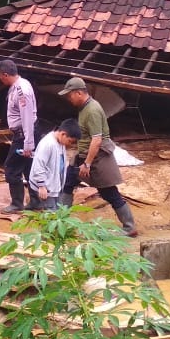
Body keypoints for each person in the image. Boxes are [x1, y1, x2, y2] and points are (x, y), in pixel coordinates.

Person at [57, 77, 138, 237]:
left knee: (109, 193)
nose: (68, 98)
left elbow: (97, 139)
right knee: (68, 182)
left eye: (69, 95)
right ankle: (60, 222)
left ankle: (130, 228)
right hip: (84, 156)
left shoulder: (92, 110)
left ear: (79, 93)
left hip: (97, 158)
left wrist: (87, 163)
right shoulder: (84, 107)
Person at [0, 59, 40, 213]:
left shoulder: (22, 91)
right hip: (24, 133)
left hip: (24, 135)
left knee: (11, 168)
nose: (0, 79)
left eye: (0, 76)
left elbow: (27, 117)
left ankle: (17, 204)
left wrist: (28, 144)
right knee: (29, 168)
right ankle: (36, 201)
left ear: (5, 75)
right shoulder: (20, 85)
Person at [29, 119, 81, 210]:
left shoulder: (60, 142)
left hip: (55, 185)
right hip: (46, 188)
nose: (71, 144)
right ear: (63, 134)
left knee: (56, 212)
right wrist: (41, 186)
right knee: (51, 215)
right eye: (70, 141)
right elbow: (39, 165)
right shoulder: (48, 144)